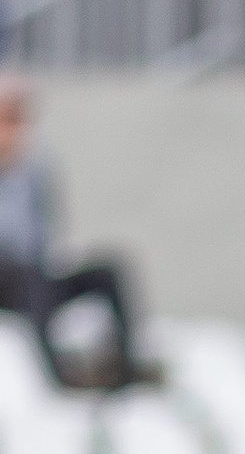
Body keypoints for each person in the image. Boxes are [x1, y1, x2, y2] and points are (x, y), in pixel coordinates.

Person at [0, 74, 141, 390]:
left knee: (108, 272)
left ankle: (125, 371)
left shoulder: (35, 171)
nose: (11, 131)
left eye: (17, 120)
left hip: (36, 276)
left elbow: (45, 232)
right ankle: (60, 380)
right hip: (8, 281)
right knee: (27, 279)